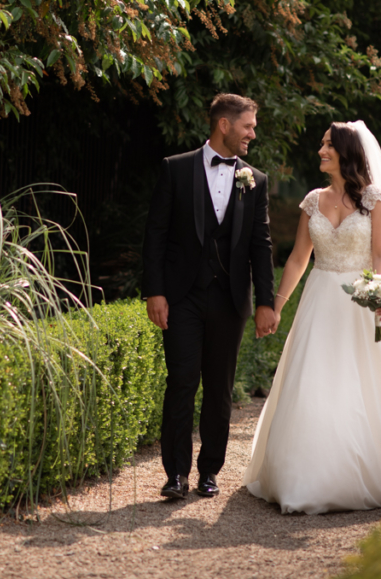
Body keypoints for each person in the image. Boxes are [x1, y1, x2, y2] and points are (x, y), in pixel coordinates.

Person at [243, 121, 381, 514]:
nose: (321, 151)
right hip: (320, 302)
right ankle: (306, 476)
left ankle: (379, 469)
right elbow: (297, 258)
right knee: (315, 381)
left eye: (327, 145)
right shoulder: (312, 201)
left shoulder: (375, 199)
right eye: (322, 145)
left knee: (368, 382)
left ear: (346, 152)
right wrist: (277, 304)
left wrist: (378, 291)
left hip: (359, 302)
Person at [143, 93, 279, 500]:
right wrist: (155, 291)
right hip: (182, 297)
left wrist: (266, 302)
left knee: (219, 387)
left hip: (229, 299)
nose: (252, 134)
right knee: (181, 382)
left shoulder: (255, 180)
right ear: (224, 124)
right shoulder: (176, 169)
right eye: (248, 126)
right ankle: (176, 475)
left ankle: (209, 472)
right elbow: (156, 235)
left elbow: (261, 244)